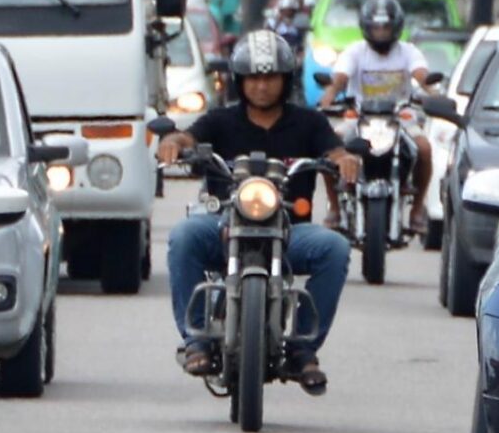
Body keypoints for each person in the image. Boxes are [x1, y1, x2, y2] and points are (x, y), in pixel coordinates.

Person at [153, 30, 358, 395]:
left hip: (290, 232)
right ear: (240, 81)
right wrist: (174, 143)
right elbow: (188, 137)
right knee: (183, 236)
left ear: (285, 80)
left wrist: (343, 160)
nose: (262, 86)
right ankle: (196, 339)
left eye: (270, 77)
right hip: (224, 227)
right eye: (254, 78)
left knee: (335, 248)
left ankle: (302, 350)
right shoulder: (220, 121)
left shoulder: (309, 123)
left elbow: (333, 150)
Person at [323, 0, 433, 232]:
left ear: (396, 27)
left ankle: (416, 209)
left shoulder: (408, 51)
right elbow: (339, 78)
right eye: (376, 27)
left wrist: (434, 93)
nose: (381, 32)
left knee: (423, 148)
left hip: (400, 117)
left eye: (385, 27)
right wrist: (329, 96)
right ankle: (334, 207)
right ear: (365, 27)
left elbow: (421, 75)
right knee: (330, 146)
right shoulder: (355, 52)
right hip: (359, 117)